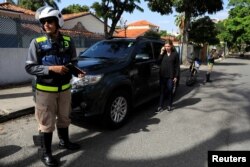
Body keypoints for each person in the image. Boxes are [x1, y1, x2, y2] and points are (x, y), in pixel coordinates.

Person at [25, 6, 85, 167]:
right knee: (46, 123)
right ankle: (46, 152)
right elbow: (29, 67)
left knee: (65, 117)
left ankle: (64, 142)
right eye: (43, 22)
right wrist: (51, 69)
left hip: (65, 89)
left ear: (58, 22)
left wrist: (76, 71)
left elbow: (73, 61)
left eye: (50, 21)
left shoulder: (68, 41)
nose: (46, 25)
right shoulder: (36, 43)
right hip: (45, 91)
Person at [156, 40, 180, 112]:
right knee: (162, 91)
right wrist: (161, 52)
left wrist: (176, 76)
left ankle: (169, 105)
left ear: (171, 46)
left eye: (168, 46)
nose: (167, 48)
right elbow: (158, 62)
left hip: (170, 76)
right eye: (165, 46)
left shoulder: (175, 54)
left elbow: (177, 66)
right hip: (162, 76)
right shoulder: (163, 54)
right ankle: (160, 106)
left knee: (170, 91)